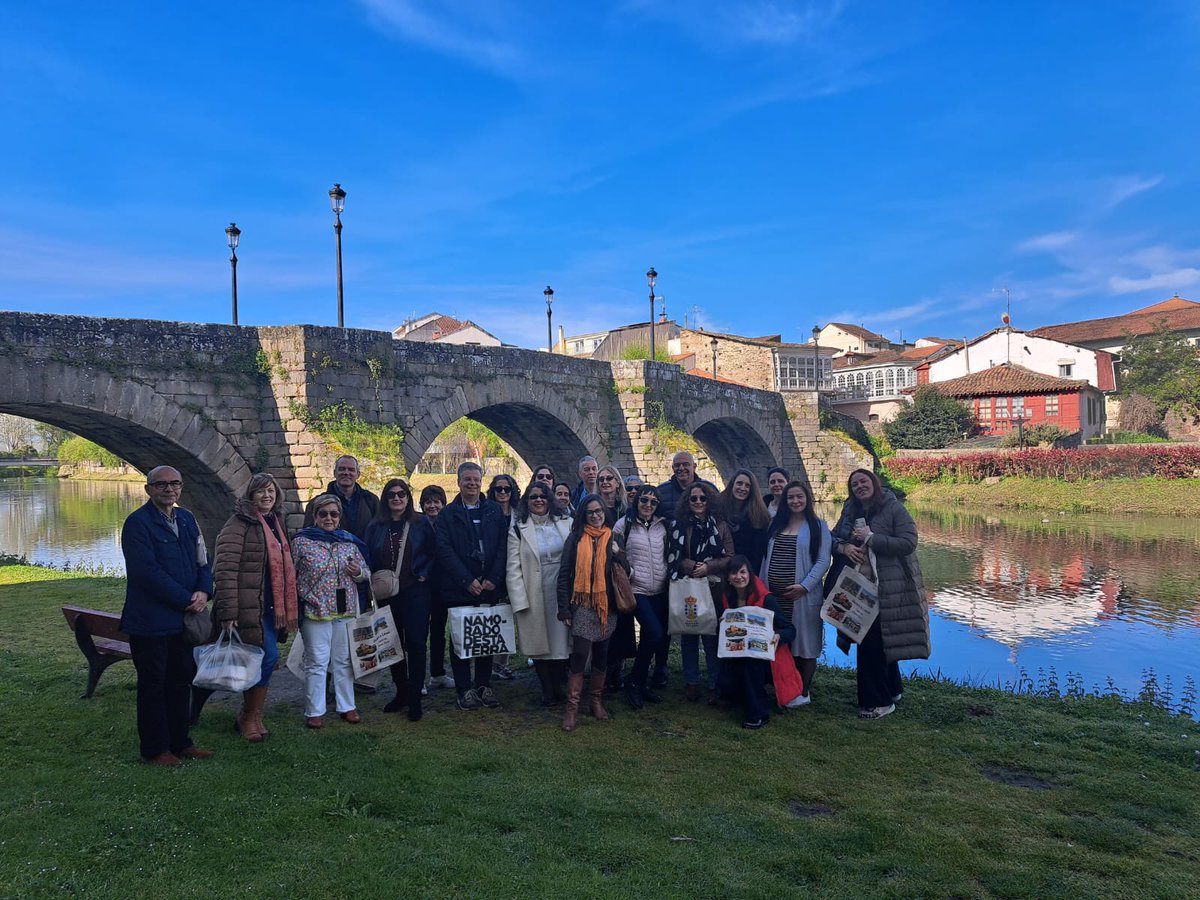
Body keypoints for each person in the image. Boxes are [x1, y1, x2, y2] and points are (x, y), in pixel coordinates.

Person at [119, 466, 214, 766]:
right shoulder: (137, 524)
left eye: (174, 484)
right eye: (161, 485)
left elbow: (203, 560)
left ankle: (181, 742)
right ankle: (155, 749)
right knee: (153, 685)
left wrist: (204, 590)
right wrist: (185, 598)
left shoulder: (186, 519)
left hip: (182, 621)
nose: (169, 489)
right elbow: (146, 573)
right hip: (150, 621)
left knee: (180, 680)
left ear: (181, 488)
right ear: (149, 490)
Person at [830, 468, 930, 719]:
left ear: (874, 483)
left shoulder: (893, 508)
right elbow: (832, 539)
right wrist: (845, 548)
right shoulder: (850, 511)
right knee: (876, 639)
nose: (859, 487)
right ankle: (892, 689)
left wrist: (872, 538)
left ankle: (877, 701)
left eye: (863, 481)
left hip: (888, 586)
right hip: (859, 587)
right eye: (854, 484)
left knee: (869, 642)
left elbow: (909, 542)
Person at [213, 472, 299, 743]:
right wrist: (227, 612)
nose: (267, 496)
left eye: (271, 491)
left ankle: (253, 715)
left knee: (264, 658)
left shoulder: (275, 521)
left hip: (272, 606)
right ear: (251, 495)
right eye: (261, 491)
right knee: (267, 657)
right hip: (250, 606)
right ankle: (248, 716)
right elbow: (225, 569)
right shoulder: (238, 524)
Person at [292, 493, 371, 729]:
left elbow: (366, 573)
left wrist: (357, 572)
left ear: (339, 517)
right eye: (323, 514)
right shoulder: (301, 542)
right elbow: (290, 575)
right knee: (317, 661)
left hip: (344, 609)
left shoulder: (349, 542)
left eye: (333, 514)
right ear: (315, 516)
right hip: (315, 608)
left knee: (343, 660)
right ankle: (314, 710)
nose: (329, 518)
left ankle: (347, 706)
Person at [435, 462, 509, 710]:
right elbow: (444, 551)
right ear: (458, 482)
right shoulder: (447, 514)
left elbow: (502, 546)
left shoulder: (493, 511)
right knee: (460, 638)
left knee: (486, 636)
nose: (472, 484)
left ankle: (483, 684)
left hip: (488, 584)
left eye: (476, 480)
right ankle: (464, 688)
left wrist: (494, 578)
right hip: (460, 587)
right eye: (467, 479)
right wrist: (467, 580)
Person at [556, 496, 631, 731]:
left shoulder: (614, 538)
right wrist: (564, 609)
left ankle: (596, 701)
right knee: (580, 653)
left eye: (599, 511)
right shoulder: (576, 538)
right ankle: (572, 708)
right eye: (590, 513)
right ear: (583, 515)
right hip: (582, 604)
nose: (596, 515)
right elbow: (564, 573)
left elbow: (626, 573)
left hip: (606, 605)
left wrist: (619, 554)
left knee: (602, 653)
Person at [365, 478, 435, 721]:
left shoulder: (421, 523)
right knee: (391, 643)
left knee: (415, 643)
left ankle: (415, 696)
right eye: (392, 494)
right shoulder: (375, 527)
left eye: (401, 494)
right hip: (388, 595)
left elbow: (433, 552)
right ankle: (401, 691)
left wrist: (424, 574)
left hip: (416, 592)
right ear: (385, 499)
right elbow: (369, 556)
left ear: (408, 497)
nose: (397, 498)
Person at [761, 480, 831, 705]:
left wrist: (804, 586)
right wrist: (763, 588)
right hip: (776, 597)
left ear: (807, 499)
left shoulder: (818, 527)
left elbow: (823, 561)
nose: (795, 501)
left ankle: (803, 690)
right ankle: (786, 685)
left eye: (799, 496)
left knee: (806, 645)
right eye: (791, 497)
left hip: (802, 596)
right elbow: (765, 558)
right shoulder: (775, 524)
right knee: (783, 641)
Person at [506, 482, 572, 704]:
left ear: (550, 498)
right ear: (527, 501)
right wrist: (519, 600)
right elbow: (513, 568)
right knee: (539, 642)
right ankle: (547, 689)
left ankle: (558, 685)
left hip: (561, 588)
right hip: (533, 589)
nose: (539, 500)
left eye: (543, 496)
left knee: (561, 639)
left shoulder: (565, 522)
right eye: (533, 497)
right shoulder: (518, 528)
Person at [668, 481, 733, 702]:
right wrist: (686, 564)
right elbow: (671, 556)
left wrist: (708, 567)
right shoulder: (679, 525)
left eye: (702, 498)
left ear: (710, 501)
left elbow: (729, 558)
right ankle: (692, 682)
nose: (697, 502)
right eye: (693, 498)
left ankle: (715, 682)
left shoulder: (721, 526)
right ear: (687, 501)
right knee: (689, 636)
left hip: (713, 588)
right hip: (688, 587)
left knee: (711, 638)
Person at [716, 556, 796, 730]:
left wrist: (778, 636)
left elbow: (790, 629)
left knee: (750, 665)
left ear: (750, 574)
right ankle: (744, 697)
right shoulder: (727, 598)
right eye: (734, 573)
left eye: (743, 572)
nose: (739, 576)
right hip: (736, 653)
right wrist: (722, 622)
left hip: (765, 657)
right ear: (728, 578)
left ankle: (759, 713)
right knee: (725, 683)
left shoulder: (766, 599)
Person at [613, 485, 669, 709]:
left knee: (654, 635)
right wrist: (631, 572)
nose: (647, 505)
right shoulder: (623, 524)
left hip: (661, 589)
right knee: (654, 632)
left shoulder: (662, 525)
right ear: (636, 502)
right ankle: (635, 681)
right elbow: (616, 555)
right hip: (637, 588)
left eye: (653, 502)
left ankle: (640, 682)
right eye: (644, 500)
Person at [485, 473, 519, 679]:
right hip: (493, 572)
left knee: (509, 619)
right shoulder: (488, 511)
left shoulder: (519, 513)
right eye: (499, 489)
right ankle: (488, 662)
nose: (503, 493)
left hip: (514, 570)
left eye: (507, 489)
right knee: (494, 618)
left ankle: (501, 663)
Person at [419, 484, 453, 690]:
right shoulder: (417, 525)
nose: (432, 506)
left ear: (443, 504)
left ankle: (438, 673)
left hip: (443, 585)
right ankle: (419, 677)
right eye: (428, 502)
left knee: (439, 630)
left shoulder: (447, 524)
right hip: (422, 585)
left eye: (436, 502)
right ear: (422, 505)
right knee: (419, 633)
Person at [304, 455, 379, 540]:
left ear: (358, 474)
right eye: (342, 469)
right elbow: (308, 534)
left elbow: (379, 533)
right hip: (330, 551)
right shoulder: (316, 503)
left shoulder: (371, 500)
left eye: (351, 470)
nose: (346, 473)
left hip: (364, 552)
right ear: (334, 473)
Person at [720, 468, 770, 573]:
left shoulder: (758, 514)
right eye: (739, 483)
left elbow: (758, 552)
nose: (743, 488)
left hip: (747, 573)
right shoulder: (718, 508)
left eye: (747, 486)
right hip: (721, 570)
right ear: (732, 484)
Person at [656, 451, 710, 522]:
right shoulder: (660, 491)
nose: (681, 468)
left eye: (685, 464)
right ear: (673, 468)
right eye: (677, 465)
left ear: (694, 467)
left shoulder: (710, 488)